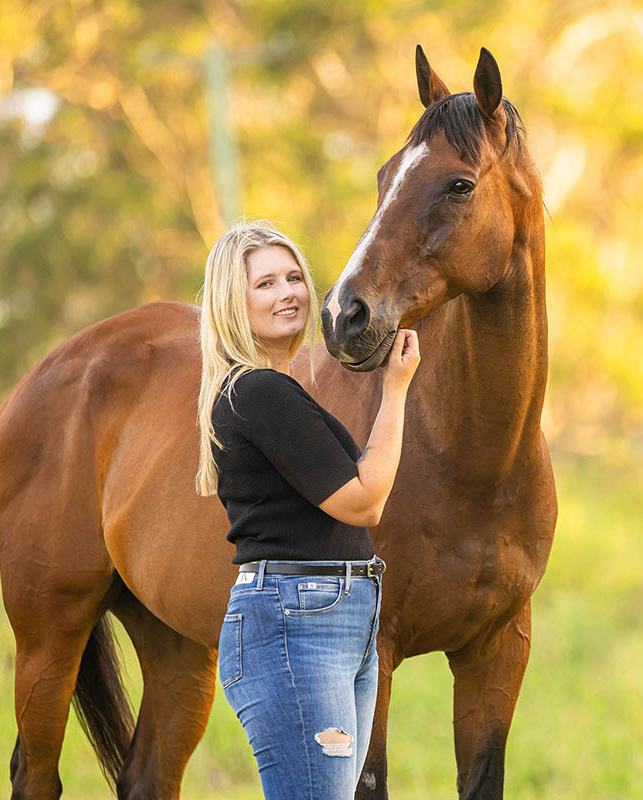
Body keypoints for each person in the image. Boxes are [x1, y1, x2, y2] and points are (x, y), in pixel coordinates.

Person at [195, 220, 419, 799]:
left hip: (334, 619)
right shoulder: (258, 394)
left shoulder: (277, 390)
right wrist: (396, 389)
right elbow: (365, 500)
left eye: (294, 277)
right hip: (298, 624)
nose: (289, 292)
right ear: (232, 303)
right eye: (266, 283)